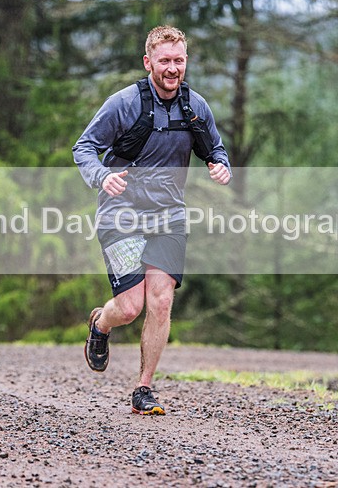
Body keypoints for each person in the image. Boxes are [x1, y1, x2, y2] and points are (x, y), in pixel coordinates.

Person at [72, 25, 231, 415]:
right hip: (121, 212)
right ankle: (101, 324)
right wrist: (101, 175)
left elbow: (216, 146)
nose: (173, 68)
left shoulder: (196, 107)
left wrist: (220, 164)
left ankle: (143, 389)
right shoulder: (123, 103)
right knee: (129, 307)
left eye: (179, 60)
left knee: (160, 301)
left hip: (169, 216)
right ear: (148, 63)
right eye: (165, 61)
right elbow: (84, 147)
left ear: (185, 62)